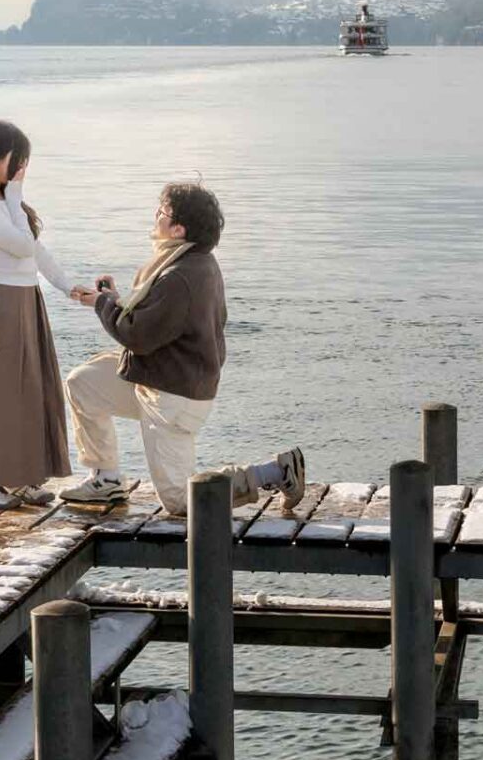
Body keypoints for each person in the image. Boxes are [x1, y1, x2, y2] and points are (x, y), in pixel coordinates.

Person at [57, 181, 305, 516]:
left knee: (181, 502)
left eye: (163, 212)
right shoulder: (192, 262)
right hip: (156, 378)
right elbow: (153, 315)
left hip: (173, 398)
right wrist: (111, 300)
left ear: (178, 229)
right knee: (83, 383)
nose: (155, 215)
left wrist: (104, 304)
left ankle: (274, 472)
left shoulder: (181, 277)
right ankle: (106, 479)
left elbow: (137, 335)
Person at [0, 119, 76, 509]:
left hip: (27, 301)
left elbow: (37, 252)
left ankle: (19, 477)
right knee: (0, 396)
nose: (22, 167)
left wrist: (67, 287)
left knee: (31, 392)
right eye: (17, 159)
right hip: (0, 303)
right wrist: (17, 194)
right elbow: (23, 247)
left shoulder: (10, 205)